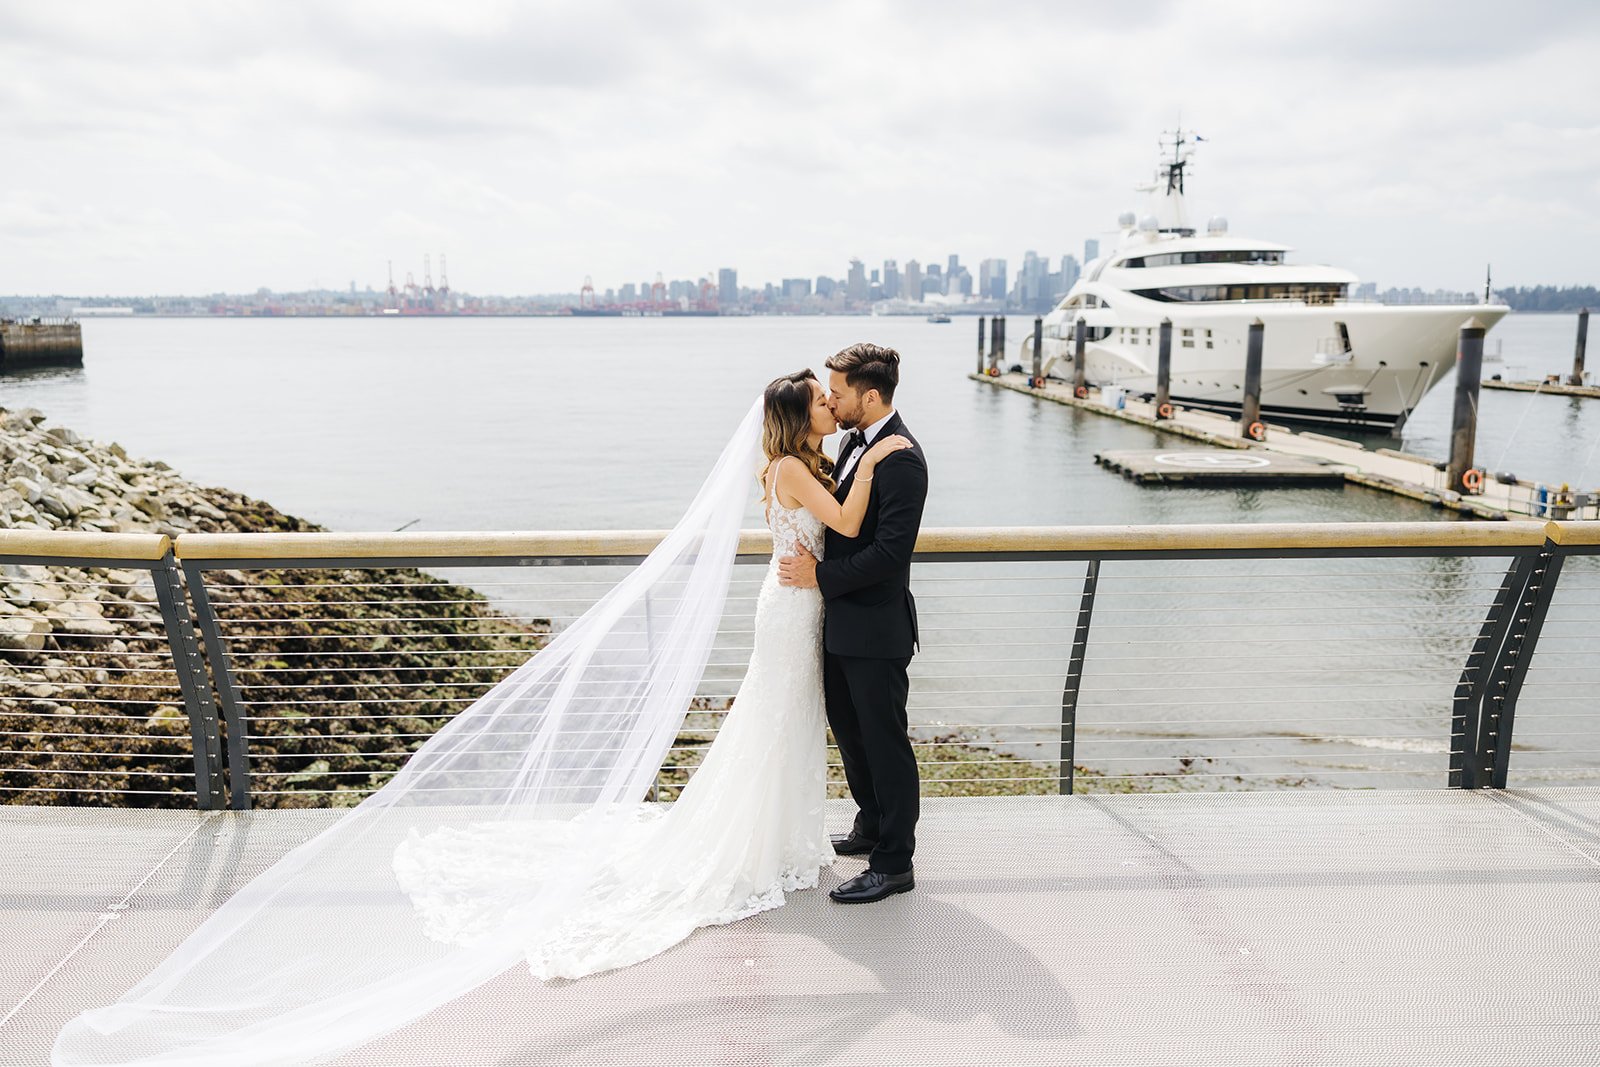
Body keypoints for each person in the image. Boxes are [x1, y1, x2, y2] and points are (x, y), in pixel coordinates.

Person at [52, 363, 913, 1066]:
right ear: (801, 413)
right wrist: (869, 464)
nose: (831, 405)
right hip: (793, 607)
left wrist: (861, 468)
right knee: (768, 725)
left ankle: (795, 832)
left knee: (783, 725)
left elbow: (834, 526)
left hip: (804, 607)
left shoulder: (806, 458)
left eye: (837, 396)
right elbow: (839, 519)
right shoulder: (808, 465)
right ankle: (767, 837)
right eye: (821, 398)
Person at [779, 342, 929, 904]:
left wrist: (820, 576)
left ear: (870, 395)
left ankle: (894, 863)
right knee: (851, 734)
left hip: (876, 627)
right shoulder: (849, 444)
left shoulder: (902, 458)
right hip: (838, 623)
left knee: (885, 743)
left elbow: (891, 554)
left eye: (837, 393)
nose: (831, 402)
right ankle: (871, 826)